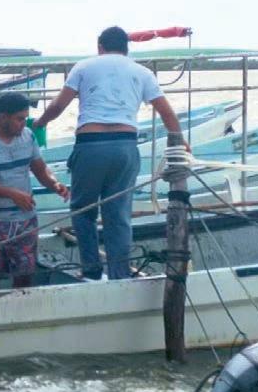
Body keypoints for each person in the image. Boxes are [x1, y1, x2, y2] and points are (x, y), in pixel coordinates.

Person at [33, 26, 187, 280]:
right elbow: (167, 113)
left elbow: (58, 105)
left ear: (100, 47)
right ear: (126, 48)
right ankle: (119, 273)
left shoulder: (84, 67)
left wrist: (40, 124)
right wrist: (180, 143)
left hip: (91, 145)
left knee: (83, 211)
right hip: (125, 146)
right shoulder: (142, 72)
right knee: (118, 214)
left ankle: (92, 270)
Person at [0, 92, 69, 290]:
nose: (24, 123)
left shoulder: (28, 136)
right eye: (19, 119)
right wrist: (12, 193)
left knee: (25, 275)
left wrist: (55, 184)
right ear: (3, 117)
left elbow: (40, 168)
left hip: (25, 220)